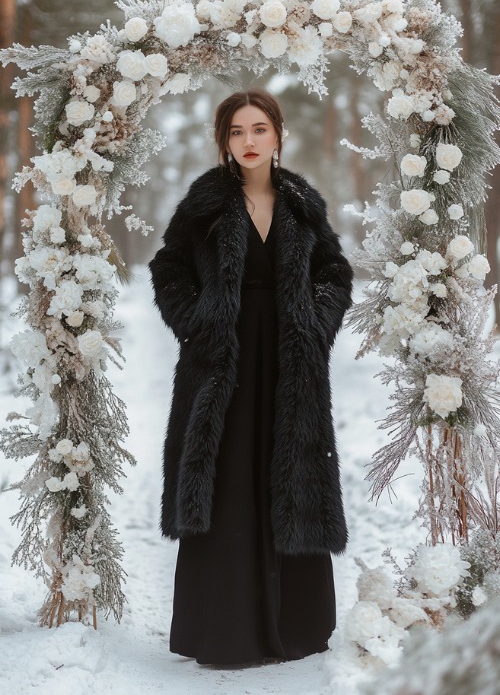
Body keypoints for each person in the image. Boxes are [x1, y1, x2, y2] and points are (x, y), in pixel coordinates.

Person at [148, 89, 354, 667]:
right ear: (224, 141)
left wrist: (316, 323)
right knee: (229, 478)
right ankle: (225, 629)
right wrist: (199, 323)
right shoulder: (205, 205)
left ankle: (297, 625)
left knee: (288, 472)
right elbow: (168, 268)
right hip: (223, 365)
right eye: (237, 132)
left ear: (277, 135)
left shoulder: (302, 205)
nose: (248, 141)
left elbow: (334, 270)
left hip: (291, 365)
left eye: (258, 129)